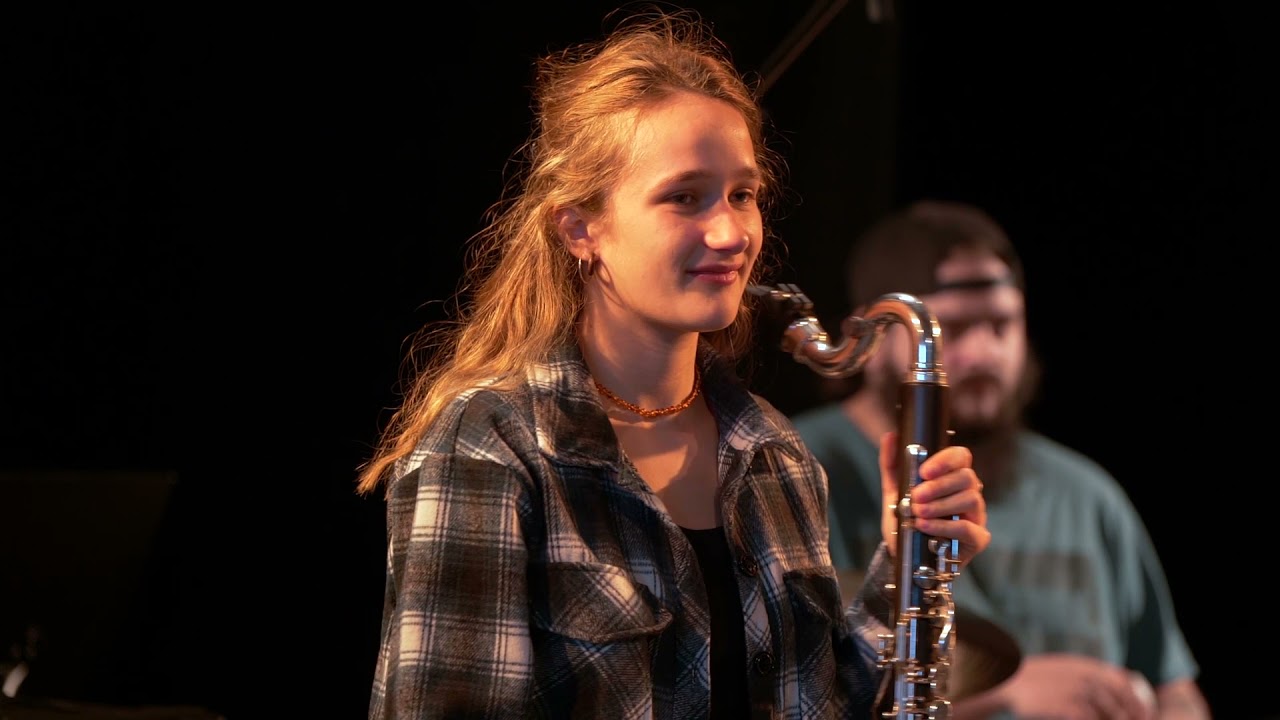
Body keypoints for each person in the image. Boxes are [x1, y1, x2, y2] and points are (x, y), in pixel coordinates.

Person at [354, 8, 990, 719]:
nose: (730, 231)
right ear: (581, 228)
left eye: (743, 195)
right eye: (684, 197)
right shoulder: (492, 447)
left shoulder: (776, 455)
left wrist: (905, 568)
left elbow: (823, 703)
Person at [791, 199, 1211, 719]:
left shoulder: (1088, 494)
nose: (986, 353)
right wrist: (1006, 694)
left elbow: (1177, 691)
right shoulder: (797, 467)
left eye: (1003, 325)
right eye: (956, 329)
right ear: (873, 335)